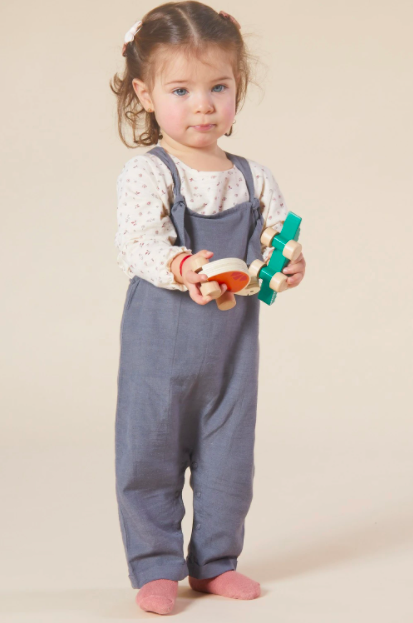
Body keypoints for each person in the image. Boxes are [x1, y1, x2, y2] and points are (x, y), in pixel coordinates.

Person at [110, 1, 306, 615]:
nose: (203, 105)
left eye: (218, 87)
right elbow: (137, 242)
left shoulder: (253, 177)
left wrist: (288, 263)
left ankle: (216, 561)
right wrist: (182, 266)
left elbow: (276, 240)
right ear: (145, 94)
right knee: (150, 452)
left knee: (228, 458)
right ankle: (155, 565)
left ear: (237, 88)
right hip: (159, 348)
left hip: (231, 354)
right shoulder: (150, 174)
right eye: (181, 90)